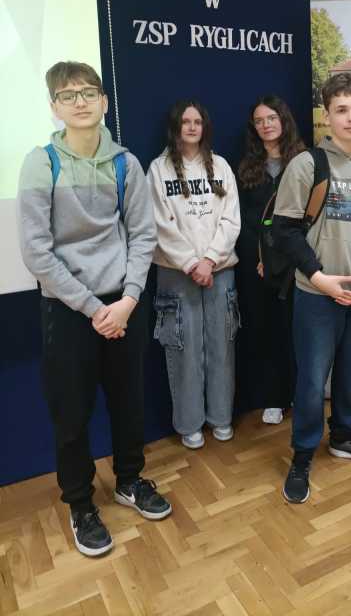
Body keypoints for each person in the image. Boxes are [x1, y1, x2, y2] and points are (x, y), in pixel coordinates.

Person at [17, 61, 171, 558]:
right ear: (54, 107)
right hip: (68, 310)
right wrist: (91, 308)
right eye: (68, 95)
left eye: (88, 92)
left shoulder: (126, 163)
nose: (80, 102)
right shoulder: (41, 163)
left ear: (104, 101)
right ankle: (81, 504)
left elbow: (143, 236)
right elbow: (37, 252)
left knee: (128, 401)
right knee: (71, 412)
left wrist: (127, 300)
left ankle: (129, 480)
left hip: (123, 305)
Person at [273, 73, 351, 504]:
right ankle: (303, 452)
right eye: (341, 110)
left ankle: (344, 435)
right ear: (326, 116)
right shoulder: (306, 165)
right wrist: (321, 278)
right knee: (312, 380)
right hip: (316, 294)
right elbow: (285, 231)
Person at [148, 100, 241, 450]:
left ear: (204, 127)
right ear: (175, 126)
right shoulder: (158, 170)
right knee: (183, 348)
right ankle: (189, 423)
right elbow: (159, 223)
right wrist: (191, 263)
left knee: (222, 345)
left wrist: (210, 260)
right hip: (177, 273)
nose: (191, 127)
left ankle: (221, 417)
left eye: (197, 121)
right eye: (185, 121)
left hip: (220, 270)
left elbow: (231, 219)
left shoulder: (221, 166)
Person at [235, 95, 305, 424]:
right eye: (259, 120)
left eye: (271, 118)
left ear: (283, 120)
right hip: (259, 266)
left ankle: (299, 393)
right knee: (265, 330)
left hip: (296, 264)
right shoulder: (247, 167)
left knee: (297, 331)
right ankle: (273, 398)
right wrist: (261, 257)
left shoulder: (304, 161)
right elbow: (245, 220)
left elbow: (310, 217)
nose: (266, 125)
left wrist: (288, 258)